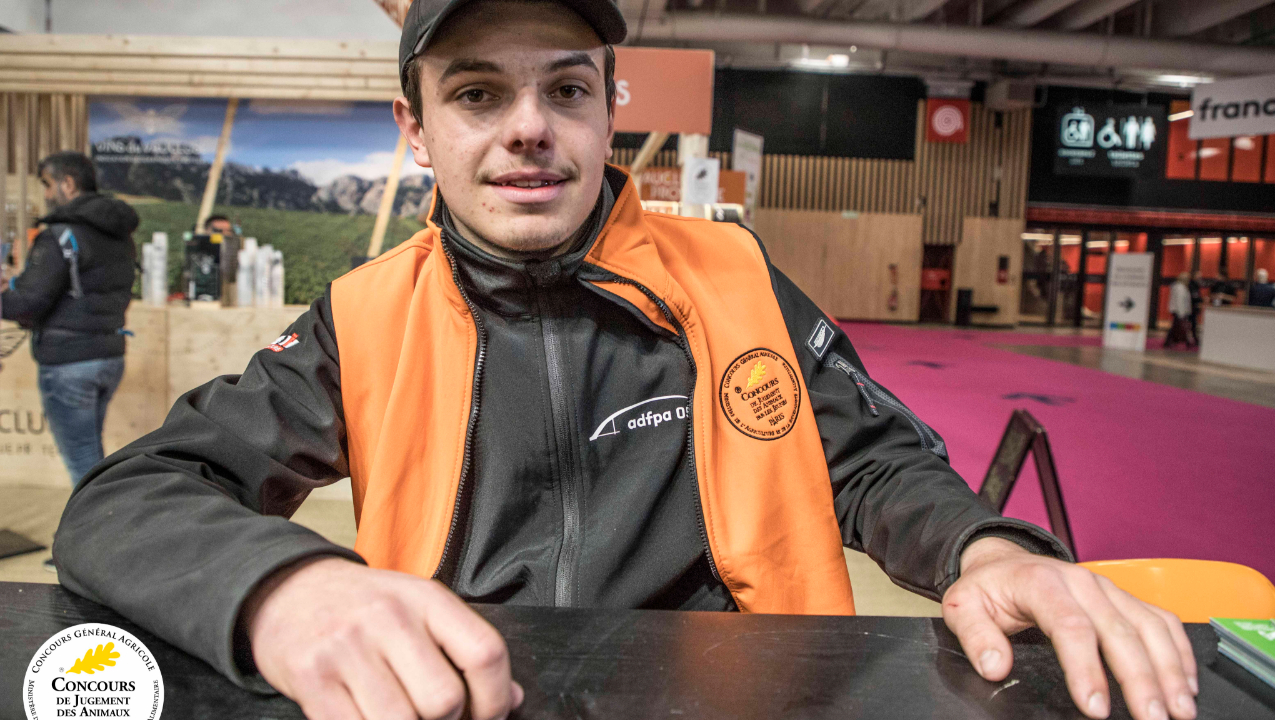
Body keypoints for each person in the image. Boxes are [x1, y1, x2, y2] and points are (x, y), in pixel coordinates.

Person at [53, 3, 1198, 720]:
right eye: (475, 95)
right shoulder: (361, 316)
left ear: (610, 109)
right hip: (459, 699)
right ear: (417, 131)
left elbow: (870, 461)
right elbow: (128, 501)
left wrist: (987, 547)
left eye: (563, 88)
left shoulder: (732, 275)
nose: (527, 128)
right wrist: (286, 590)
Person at [1, 151, 137, 488]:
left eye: (47, 185)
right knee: (90, 453)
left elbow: (28, 304)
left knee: (83, 463)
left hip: (69, 362)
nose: (46, 195)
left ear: (68, 183)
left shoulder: (60, 235)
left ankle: (100, 536)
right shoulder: (119, 234)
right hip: (109, 354)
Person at [1164, 272, 1194, 349]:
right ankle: (1170, 341)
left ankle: (1171, 341)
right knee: (1178, 327)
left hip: (1178, 310)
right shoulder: (1180, 288)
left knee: (1176, 326)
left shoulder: (1178, 287)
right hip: (1179, 311)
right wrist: (1182, 313)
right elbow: (1180, 301)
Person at [1186, 270, 1203, 344]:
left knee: (1193, 323)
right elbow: (1194, 296)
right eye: (1198, 275)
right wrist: (1201, 300)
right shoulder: (1191, 285)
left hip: (1193, 307)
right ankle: (1192, 339)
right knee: (1191, 323)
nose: (1200, 277)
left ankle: (1193, 338)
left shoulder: (1196, 285)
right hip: (1191, 307)